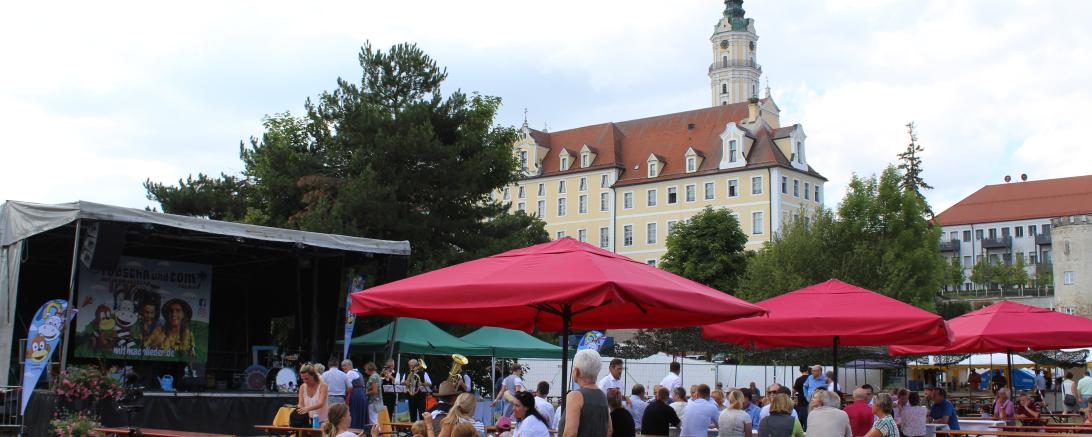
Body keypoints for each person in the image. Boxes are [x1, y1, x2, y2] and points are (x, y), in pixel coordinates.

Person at [558, 349, 610, 437]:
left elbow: (570, 433)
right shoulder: (602, 396)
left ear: (577, 371)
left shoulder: (575, 396)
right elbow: (609, 430)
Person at [346, 360, 368, 429]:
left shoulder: (350, 372)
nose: (343, 368)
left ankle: (354, 429)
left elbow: (347, 385)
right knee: (360, 413)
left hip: (355, 394)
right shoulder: (358, 372)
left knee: (354, 413)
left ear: (350, 365)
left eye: (344, 366)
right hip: (361, 393)